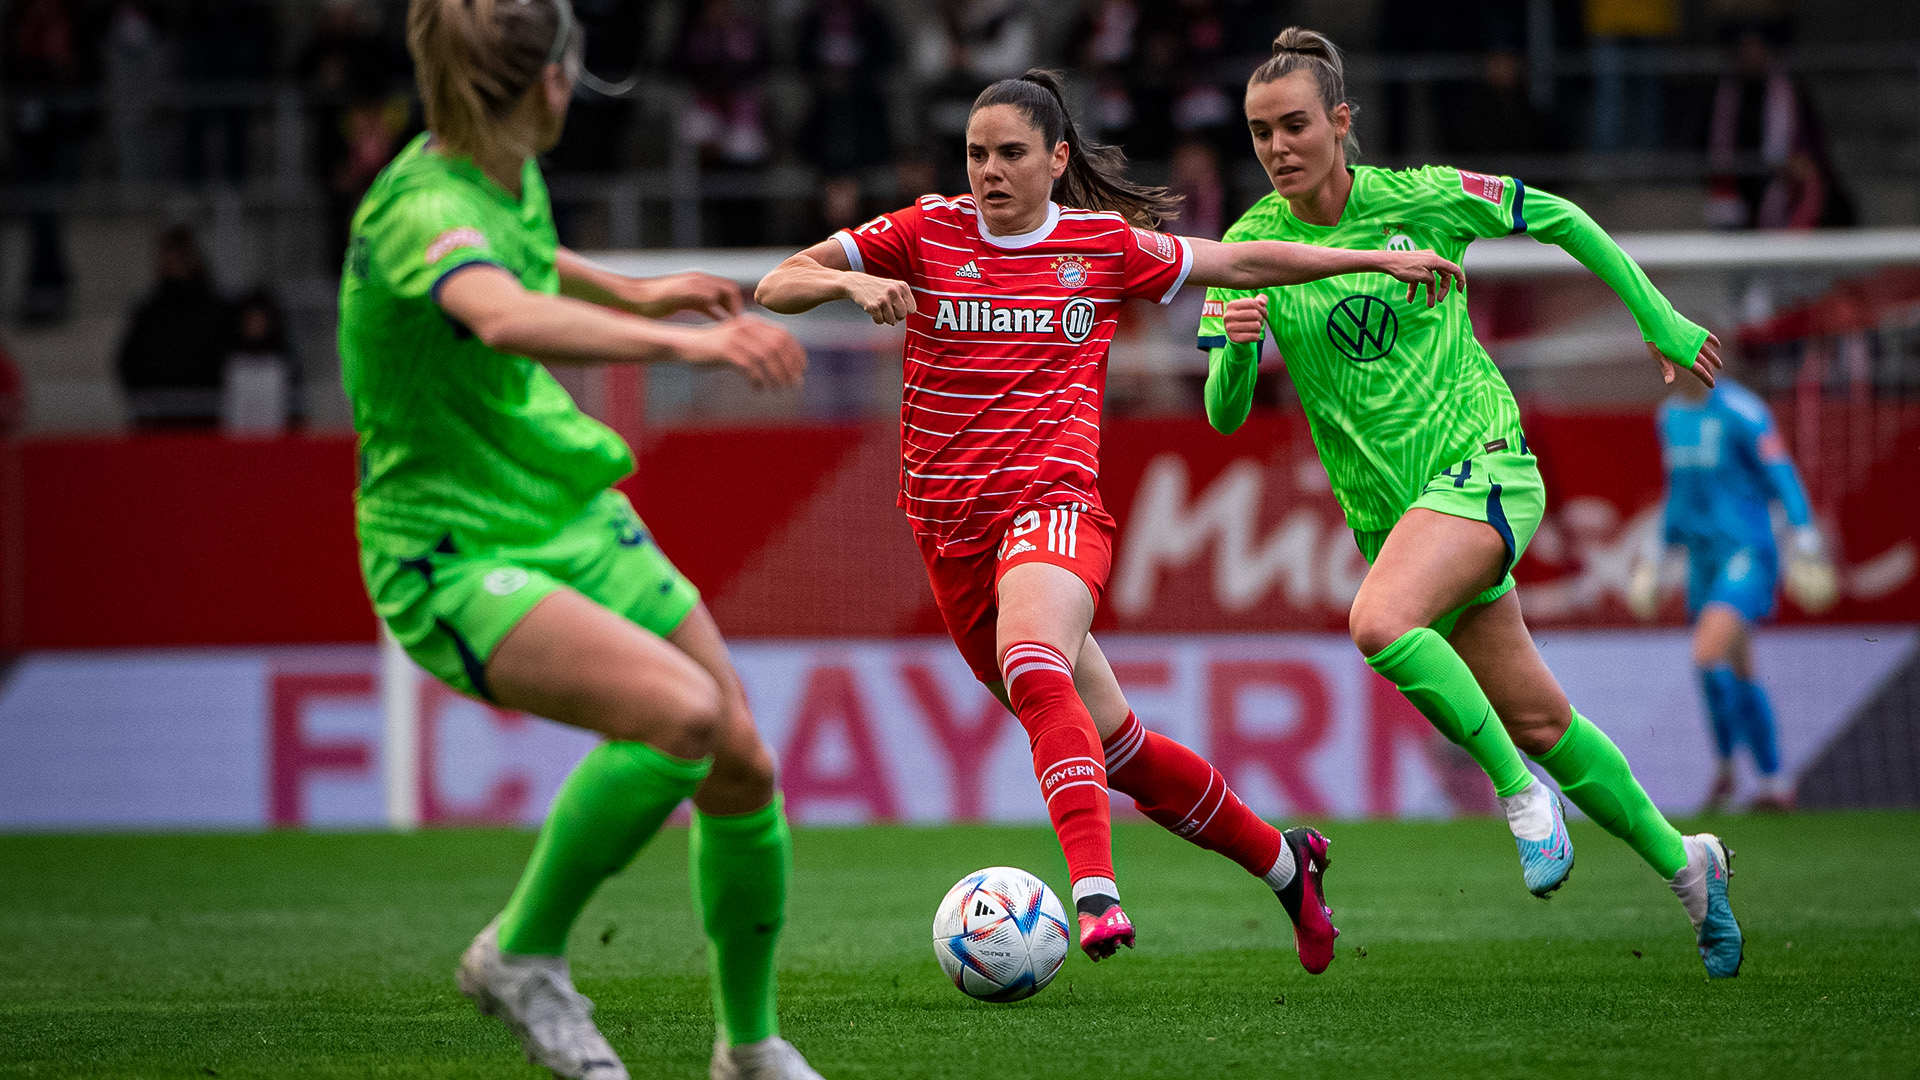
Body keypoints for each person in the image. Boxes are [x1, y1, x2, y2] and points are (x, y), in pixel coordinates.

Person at [756, 68, 1465, 972]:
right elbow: (778, 282)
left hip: (1054, 507)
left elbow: (1243, 261)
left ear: (1056, 160)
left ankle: (1092, 894)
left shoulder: (1099, 246)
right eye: (977, 153)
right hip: (949, 534)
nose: (989, 171)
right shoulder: (926, 231)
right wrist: (848, 287)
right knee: (1115, 747)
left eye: (1011, 153)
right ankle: (1291, 865)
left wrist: (1375, 257)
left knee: (1033, 657)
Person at [1198, 28, 1746, 979]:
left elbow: (1563, 217)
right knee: (1540, 718)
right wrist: (1240, 345)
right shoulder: (1247, 247)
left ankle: (1519, 798)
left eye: (1294, 126)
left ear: (1340, 123)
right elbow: (1224, 417)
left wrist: (1658, 317)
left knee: (1379, 621)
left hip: (1485, 464)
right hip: (1398, 520)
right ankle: (1687, 866)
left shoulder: (1422, 197)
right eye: (1259, 133)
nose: (1277, 148)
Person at [340, 1, 817, 1077]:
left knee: (740, 761)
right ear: (552, 82)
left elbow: (530, 258)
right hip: (448, 546)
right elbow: (501, 311)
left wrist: (639, 287)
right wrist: (682, 346)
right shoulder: (421, 206)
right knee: (682, 718)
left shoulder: (499, 167)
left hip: (562, 501)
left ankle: (749, 1049)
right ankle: (523, 954)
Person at [1629, 372, 1834, 811]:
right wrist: (1655, 555)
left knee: (1706, 655)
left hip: (1747, 552)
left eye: (1671, 355)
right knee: (1740, 670)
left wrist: (1806, 537)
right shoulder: (1669, 417)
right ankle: (1774, 784)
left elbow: (1783, 476)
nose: (1664, 367)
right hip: (1703, 560)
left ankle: (1726, 769)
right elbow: (1678, 495)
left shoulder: (1744, 411)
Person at [117, 226, 234, 430]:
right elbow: (128, 361)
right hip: (158, 421)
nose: (172, 262)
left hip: (206, 420)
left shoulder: (216, 310)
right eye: (167, 255)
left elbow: (228, 358)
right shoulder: (149, 312)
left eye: (178, 255)